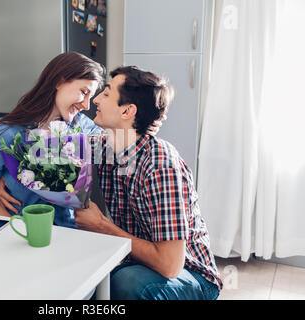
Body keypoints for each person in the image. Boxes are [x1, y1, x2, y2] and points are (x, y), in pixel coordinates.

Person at [74, 66, 223, 300]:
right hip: (138, 262)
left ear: (127, 111)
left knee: (126, 283)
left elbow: (170, 265)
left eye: (106, 93)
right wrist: (4, 178)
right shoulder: (104, 145)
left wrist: (101, 225)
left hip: (190, 276)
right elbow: (45, 151)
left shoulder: (161, 166)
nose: (95, 100)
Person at [0, 52, 105, 228]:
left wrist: (150, 123)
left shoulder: (81, 125)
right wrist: (19, 228)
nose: (86, 105)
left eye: (90, 97)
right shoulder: (5, 135)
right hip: (21, 235)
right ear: (59, 82)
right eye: (83, 92)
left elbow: (117, 143)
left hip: (68, 233)